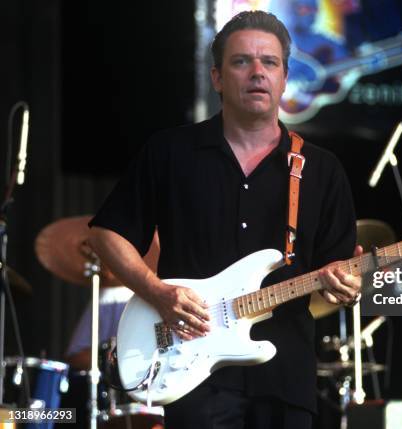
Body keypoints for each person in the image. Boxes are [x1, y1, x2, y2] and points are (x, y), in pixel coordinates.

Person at [88, 10, 361, 429]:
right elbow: (108, 233)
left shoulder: (321, 170)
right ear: (216, 77)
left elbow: (336, 275)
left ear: (285, 78)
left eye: (269, 62)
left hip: (285, 378)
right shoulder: (170, 152)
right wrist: (158, 292)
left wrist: (348, 285)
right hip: (192, 376)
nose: (257, 72)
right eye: (241, 61)